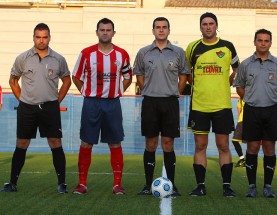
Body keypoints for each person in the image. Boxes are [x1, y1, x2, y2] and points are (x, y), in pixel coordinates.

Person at [1, 23, 71, 193]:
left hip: (49, 108)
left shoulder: (58, 59)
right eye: (38, 37)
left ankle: (62, 184)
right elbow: (13, 81)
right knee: (22, 142)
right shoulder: (22, 58)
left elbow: (67, 81)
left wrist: (56, 102)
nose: (41, 40)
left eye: (45, 37)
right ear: (33, 38)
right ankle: (13, 183)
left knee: (55, 142)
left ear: (49, 38)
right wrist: (23, 99)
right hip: (27, 108)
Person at [72, 18, 132, 195]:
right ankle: (82, 184)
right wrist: (85, 90)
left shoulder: (122, 54)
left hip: (112, 103)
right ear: (97, 32)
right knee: (86, 142)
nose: (105, 32)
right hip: (91, 103)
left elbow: (128, 75)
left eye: (108, 30)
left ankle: (117, 185)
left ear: (114, 32)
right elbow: (76, 76)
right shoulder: (86, 53)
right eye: (102, 30)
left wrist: (119, 90)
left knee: (115, 142)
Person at [133, 17, 190, 197]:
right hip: (150, 102)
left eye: (164, 27)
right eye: (157, 27)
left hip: (170, 102)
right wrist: (147, 90)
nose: (161, 30)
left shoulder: (178, 52)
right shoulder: (143, 52)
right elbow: (139, 75)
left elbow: (183, 76)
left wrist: (175, 91)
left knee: (168, 143)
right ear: (153, 30)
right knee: (150, 144)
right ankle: (147, 185)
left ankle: (171, 185)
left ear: (168, 30)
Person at [186, 12, 239, 197]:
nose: (208, 27)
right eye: (204, 24)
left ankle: (227, 186)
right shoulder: (192, 47)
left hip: (222, 105)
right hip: (199, 105)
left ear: (217, 26)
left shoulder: (227, 47)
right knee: (200, 146)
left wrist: (229, 81)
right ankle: (200, 185)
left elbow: (237, 68)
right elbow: (187, 73)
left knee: (223, 145)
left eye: (211, 23)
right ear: (200, 27)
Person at [233, 29, 277, 198]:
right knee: (252, 147)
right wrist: (250, 100)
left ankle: (268, 186)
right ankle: (251, 186)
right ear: (255, 42)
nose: (263, 43)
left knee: (269, 148)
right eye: (260, 40)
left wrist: (273, 101)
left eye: (266, 40)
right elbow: (239, 87)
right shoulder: (245, 64)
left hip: (271, 111)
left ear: (270, 43)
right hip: (251, 110)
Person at [232, 98, 246, 168]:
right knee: (251, 142)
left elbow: (239, 109)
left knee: (235, 140)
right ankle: (243, 160)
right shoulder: (241, 97)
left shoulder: (241, 96)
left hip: (243, 121)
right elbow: (239, 108)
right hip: (244, 121)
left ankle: (243, 160)